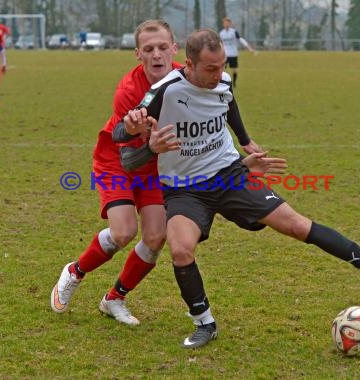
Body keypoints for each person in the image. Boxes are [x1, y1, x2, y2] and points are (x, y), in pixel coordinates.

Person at [118, 29, 360, 349]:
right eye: (210, 68)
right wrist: (135, 130)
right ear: (188, 65)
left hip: (228, 175)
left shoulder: (222, 81)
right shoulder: (164, 90)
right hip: (184, 189)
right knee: (180, 250)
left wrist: (245, 141)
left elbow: (228, 104)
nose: (219, 73)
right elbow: (122, 136)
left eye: (222, 65)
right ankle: (204, 322)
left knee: (297, 225)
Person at [49, 20, 271, 325]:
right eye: (149, 49)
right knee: (123, 232)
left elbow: (224, 100)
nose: (157, 55)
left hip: (159, 167)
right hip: (119, 162)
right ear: (137, 53)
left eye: (163, 47)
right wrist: (144, 140)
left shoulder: (189, 77)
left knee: (155, 237)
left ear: (175, 50)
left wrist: (244, 143)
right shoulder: (128, 92)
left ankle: (114, 299)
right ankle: (76, 271)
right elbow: (127, 157)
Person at [219, 17, 255, 88]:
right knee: (222, 69)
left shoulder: (234, 32)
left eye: (228, 23)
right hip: (225, 55)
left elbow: (241, 39)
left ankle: (234, 83)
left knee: (234, 70)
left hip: (233, 54)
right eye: (225, 23)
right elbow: (219, 43)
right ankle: (223, 83)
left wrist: (249, 47)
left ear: (230, 24)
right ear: (223, 24)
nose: (226, 24)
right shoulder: (221, 33)